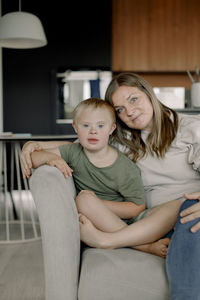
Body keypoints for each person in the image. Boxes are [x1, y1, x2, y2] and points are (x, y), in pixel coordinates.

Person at [20, 73, 200, 299]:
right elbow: (78, 144)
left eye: (133, 99)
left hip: (189, 208)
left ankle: (107, 240)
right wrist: (32, 145)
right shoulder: (120, 138)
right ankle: (135, 242)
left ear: (148, 93)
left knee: (190, 209)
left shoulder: (191, 128)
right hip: (147, 220)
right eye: (120, 109)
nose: (130, 111)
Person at [26, 97, 180, 258]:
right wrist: (50, 158)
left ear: (111, 128)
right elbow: (34, 158)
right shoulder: (73, 152)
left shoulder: (125, 167)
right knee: (84, 199)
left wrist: (98, 204)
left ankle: (110, 240)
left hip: (134, 223)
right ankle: (145, 246)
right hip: (99, 221)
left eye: (100, 126)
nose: (93, 131)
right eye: (86, 125)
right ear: (75, 127)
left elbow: (137, 207)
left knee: (177, 206)